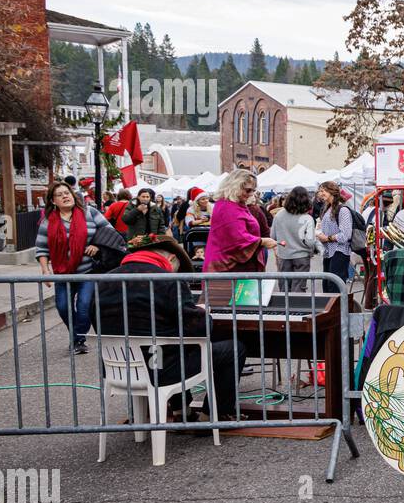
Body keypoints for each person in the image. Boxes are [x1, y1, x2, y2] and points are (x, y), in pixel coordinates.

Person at [97, 234, 248, 423]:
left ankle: (180, 411)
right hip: (159, 367)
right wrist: (203, 313)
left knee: (167, 345)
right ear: (171, 259)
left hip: (118, 367)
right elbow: (199, 329)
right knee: (234, 349)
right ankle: (213, 416)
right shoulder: (166, 281)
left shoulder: (103, 281)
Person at [35, 180, 118, 355]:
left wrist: (97, 245)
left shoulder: (89, 213)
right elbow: (42, 248)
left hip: (88, 271)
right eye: (60, 194)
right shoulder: (48, 221)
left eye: (67, 192)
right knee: (63, 307)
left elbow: (109, 231)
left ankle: (78, 340)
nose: (65, 196)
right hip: (62, 274)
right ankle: (77, 337)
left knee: (84, 306)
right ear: (52, 201)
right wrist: (45, 270)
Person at [204, 169, 278, 273]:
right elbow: (238, 239)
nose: (251, 194)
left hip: (232, 267)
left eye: (253, 190)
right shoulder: (228, 207)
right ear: (235, 186)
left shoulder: (231, 205)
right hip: (229, 269)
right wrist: (262, 241)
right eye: (248, 190)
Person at [272, 185, 320, 291]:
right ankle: (297, 307)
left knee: (284, 288)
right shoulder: (307, 218)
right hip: (302, 256)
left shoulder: (279, 215)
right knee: (298, 289)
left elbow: (273, 236)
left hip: (284, 255)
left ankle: (286, 307)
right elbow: (310, 242)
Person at [314, 180, 354, 283]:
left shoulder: (343, 210)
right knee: (327, 287)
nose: (321, 194)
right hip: (328, 252)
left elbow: (345, 235)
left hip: (339, 252)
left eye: (323, 191)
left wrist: (327, 238)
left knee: (334, 288)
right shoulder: (327, 209)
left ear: (332, 191)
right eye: (320, 191)